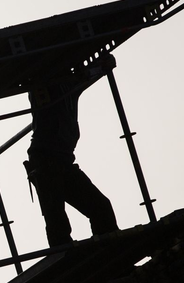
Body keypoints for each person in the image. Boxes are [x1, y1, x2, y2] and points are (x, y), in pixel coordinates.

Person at [25, 58, 119, 247]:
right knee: (58, 223)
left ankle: (110, 256)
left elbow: (85, 78)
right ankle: (66, 259)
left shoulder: (68, 86)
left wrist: (99, 67)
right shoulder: (47, 85)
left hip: (61, 160)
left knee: (101, 208)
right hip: (45, 162)